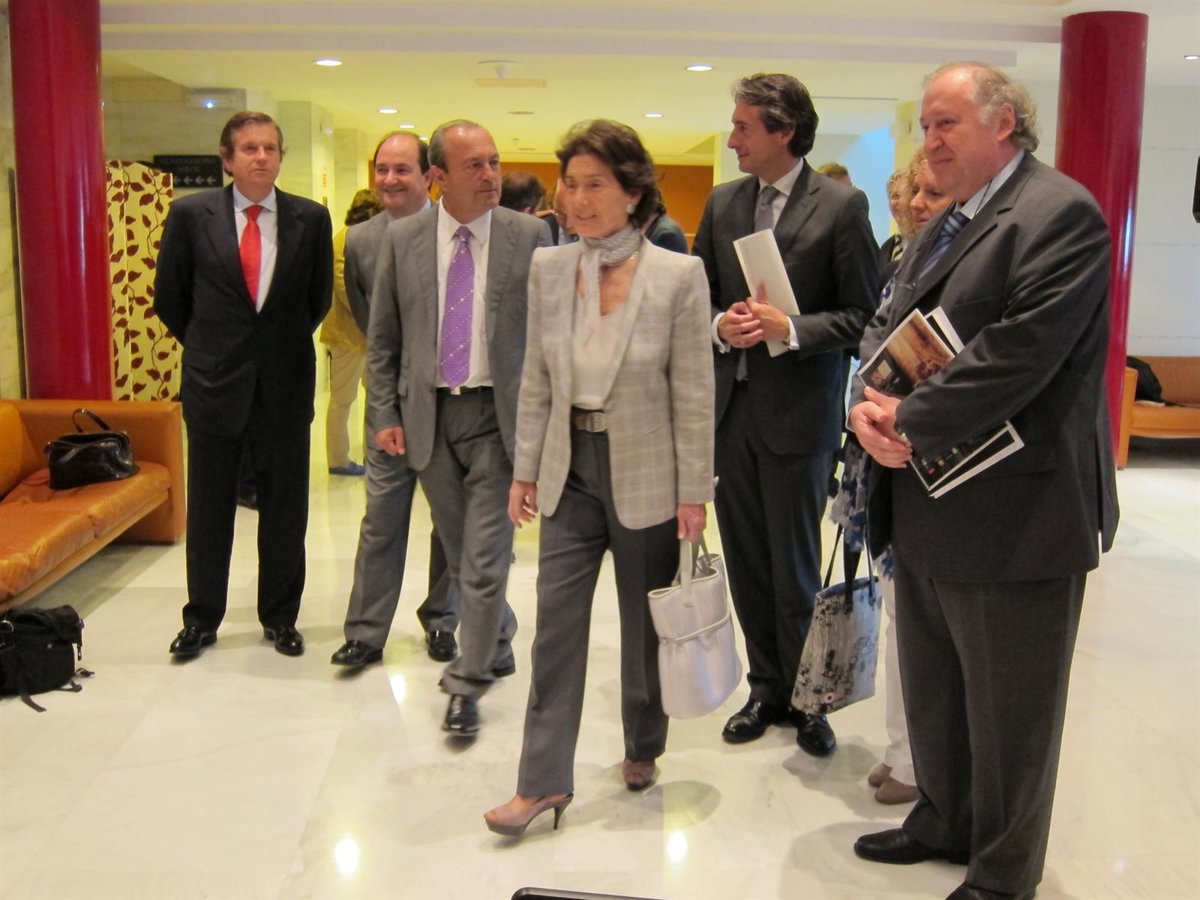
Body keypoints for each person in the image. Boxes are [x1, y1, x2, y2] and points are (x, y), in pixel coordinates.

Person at [849, 63, 1117, 900]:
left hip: (1017, 512)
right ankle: (943, 819)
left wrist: (908, 419)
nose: (929, 141)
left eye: (946, 123)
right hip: (929, 496)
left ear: (1004, 124)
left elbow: (1019, 353)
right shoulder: (948, 220)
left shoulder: (1058, 213)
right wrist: (866, 406)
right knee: (936, 687)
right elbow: (890, 327)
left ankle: (1002, 874)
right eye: (926, 125)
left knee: (1011, 713)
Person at [483, 119, 714, 838]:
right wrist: (524, 470)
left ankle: (644, 742)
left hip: (647, 469)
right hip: (569, 468)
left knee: (644, 624)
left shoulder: (677, 274)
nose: (577, 200)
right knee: (555, 627)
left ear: (632, 191)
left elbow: (694, 390)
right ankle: (541, 781)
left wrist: (694, 491)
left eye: (594, 185)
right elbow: (536, 379)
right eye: (570, 185)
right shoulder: (551, 269)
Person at [692, 73, 878, 755]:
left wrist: (792, 328)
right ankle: (766, 687)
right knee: (747, 560)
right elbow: (699, 294)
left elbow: (863, 317)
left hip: (799, 417)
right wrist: (722, 325)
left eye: (744, 127)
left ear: (785, 132)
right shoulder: (724, 203)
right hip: (733, 413)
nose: (732, 139)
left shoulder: (841, 206)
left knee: (795, 567)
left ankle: (809, 699)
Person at [367, 120, 551, 734]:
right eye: (474, 165)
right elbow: (384, 340)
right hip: (430, 419)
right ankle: (496, 636)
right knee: (462, 551)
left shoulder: (529, 235)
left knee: (484, 554)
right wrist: (386, 415)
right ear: (438, 176)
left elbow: (547, 336)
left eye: (494, 161)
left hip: (498, 419)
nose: (491, 174)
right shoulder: (404, 238)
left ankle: (465, 685)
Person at [155, 110, 333, 659]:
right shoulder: (191, 215)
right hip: (214, 385)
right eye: (250, 148)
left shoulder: (310, 219)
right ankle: (201, 618)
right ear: (228, 159)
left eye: (270, 148)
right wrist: (214, 348)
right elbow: (171, 298)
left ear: (281, 157)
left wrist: (270, 350)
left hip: (285, 386)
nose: (261, 157)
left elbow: (316, 301)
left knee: (285, 510)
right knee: (210, 510)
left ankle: (280, 617)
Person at [331, 131, 461, 669]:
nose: (388, 179)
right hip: (389, 404)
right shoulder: (361, 241)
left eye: (401, 169)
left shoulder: (454, 233)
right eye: (381, 169)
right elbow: (374, 329)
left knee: (451, 522)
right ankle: (365, 633)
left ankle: (443, 620)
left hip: (450, 407)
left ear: (429, 176)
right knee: (381, 520)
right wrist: (388, 401)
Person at [853, 147, 952, 807]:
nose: (915, 205)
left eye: (931, 193)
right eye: (911, 192)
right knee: (899, 616)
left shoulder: (960, 266)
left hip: (932, 456)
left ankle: (920, 761)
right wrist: (865, 405)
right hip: (885, 453)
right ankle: (902, 750)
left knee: (919, 625)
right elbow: (873, 342)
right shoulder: (903, 262)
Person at [320, 188, 382, 478]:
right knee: (343, 399)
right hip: (347, 334)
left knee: (374, 397)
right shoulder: (344, 239)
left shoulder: (364, 238)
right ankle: (338, 459)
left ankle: (373, 454)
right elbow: (343, 284)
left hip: (367, 333)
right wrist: (369, 317)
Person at [878, 168, 915, 270]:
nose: (894, 203)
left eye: (897, 196)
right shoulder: (886, 249)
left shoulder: (933, 243)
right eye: (892, 197)